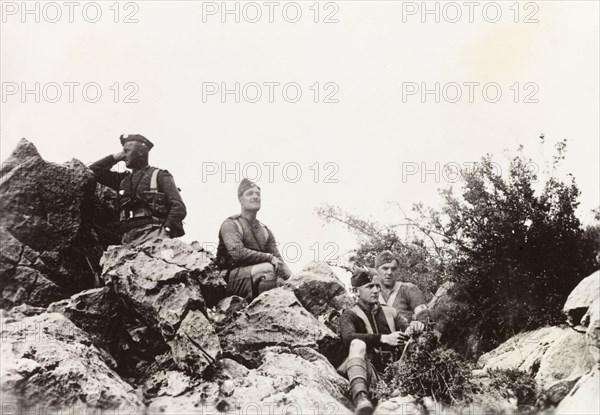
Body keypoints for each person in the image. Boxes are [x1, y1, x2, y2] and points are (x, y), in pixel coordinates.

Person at [338, 269, 424, 414]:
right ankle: (361, 398)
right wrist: (384, 338)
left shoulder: (391, 312)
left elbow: (407, 329)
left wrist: (414, 328)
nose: (376, 290)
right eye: (370, 287)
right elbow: (347, 338)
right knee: (357, 343)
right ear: (356, 291)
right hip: (369, 374)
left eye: (377, 286)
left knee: (417, 343)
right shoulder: (350, 315)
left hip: (395, 374)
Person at [89, 134, 186, 246]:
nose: (124, 155)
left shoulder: (159, 175)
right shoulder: (123, 181)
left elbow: (178, 207)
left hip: (154, 235)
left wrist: (166, 230)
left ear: (140, 152)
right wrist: (115, 157)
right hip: (127, 238)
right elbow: (91, 171)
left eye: (127, 151)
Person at [215, 178, 292, 302]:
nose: (255, 197)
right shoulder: (231, 224)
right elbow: (238, 253)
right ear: (240, 200)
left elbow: (279, 261)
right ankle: (263, 314)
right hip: (227, 280)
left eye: (258, 194)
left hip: (255, 276)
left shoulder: (265, 231)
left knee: (284, 283)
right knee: (267, 270)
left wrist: (295, 281)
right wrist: (268, 257)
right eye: (249, 193)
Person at [375, 250, 430, 324]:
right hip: (380, 335)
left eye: (393, 269)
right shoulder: (370, 292)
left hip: (405, 334)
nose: (389, 272)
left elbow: (424, 316)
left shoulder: (409, 290)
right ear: (376, 270)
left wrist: (418, 325)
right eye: (385, 268)